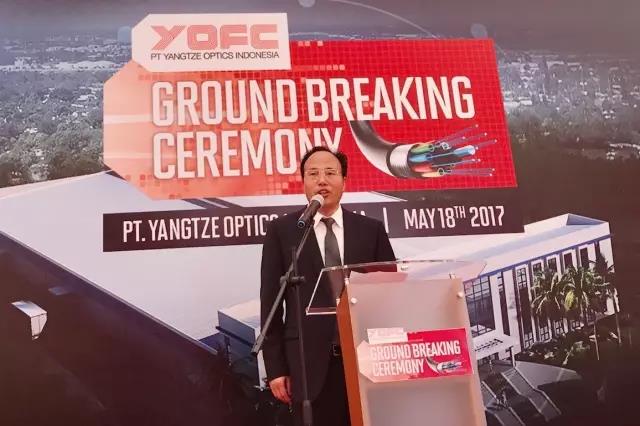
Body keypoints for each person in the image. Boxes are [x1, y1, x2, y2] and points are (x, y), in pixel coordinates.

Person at [260, 147, 396, 426]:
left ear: (344, 181)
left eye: (330, 173)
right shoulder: (283, 231)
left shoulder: (370, 230)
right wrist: (275, 368)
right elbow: (271, 303)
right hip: (307, 366)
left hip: (366, 361)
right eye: (313, 174)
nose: (322, 180)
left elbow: (389, 296)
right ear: (303, 183)